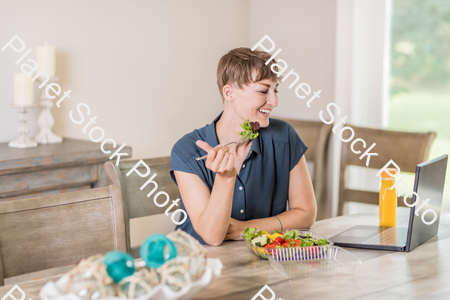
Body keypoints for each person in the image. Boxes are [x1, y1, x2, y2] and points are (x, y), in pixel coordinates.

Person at [169, 47, 317, 246]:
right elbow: (212, 236)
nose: (274, 101)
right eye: (264, 90)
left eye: (275, 90)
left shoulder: (284, 137)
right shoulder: (186, 150)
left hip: (262, 265)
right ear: (229, 92)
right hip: (200, 266)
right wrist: (225, 178)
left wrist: (246, 230)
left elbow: (306, 213)